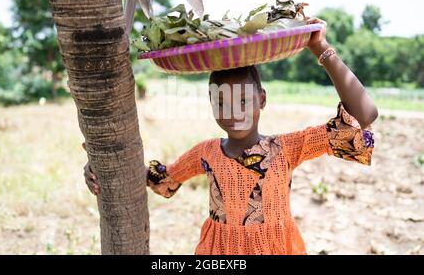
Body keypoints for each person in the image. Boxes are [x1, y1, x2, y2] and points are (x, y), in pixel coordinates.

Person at [83, 18, 378, 254]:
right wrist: (102, 167)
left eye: (243, 101)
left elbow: (364, 117)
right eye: (221, 101)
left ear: (261, 99)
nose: (232, 112)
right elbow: (160, 180)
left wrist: (321, 49)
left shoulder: (287, 148)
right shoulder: (206, 153)